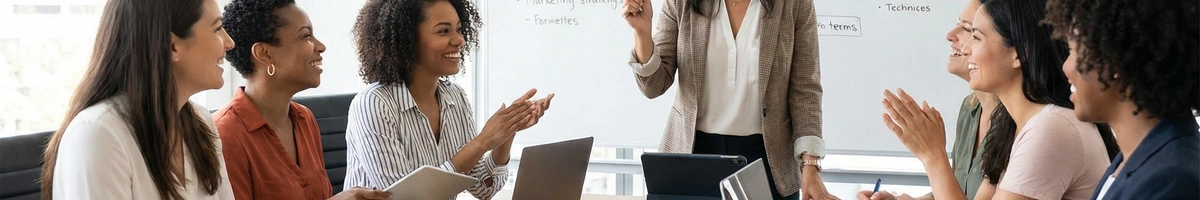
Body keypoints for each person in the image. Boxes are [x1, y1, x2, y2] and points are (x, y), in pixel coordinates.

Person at [880, 0, 1120, 199]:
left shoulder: (1051, 127)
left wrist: (933, 156)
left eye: (976, 37)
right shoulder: (1013, 126)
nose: (966, 50)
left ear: (1019, 54)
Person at [621, 0, 835, 199]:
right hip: (693, 154)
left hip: (768, 160)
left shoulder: (794, 4)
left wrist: (810, 164)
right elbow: (653, 86)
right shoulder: (681, 2)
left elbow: (805, 90)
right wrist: (642, 33)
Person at [341, 0, 553, 199]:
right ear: (408, 40)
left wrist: (506, 133)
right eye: (443, 31)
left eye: (459, 29)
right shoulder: (374, 103)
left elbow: (482, 188)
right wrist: (482, 142)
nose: (459, 40)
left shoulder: (455, 97)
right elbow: (402, 197)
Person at [38, 0, 236, 199]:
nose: (229, 43)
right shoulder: (98, 134)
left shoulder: (201, 121)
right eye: (217, 28)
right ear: (172, 46)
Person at [214, 0, 391, 199]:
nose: (321, 46)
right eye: (306, 36)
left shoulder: (304, 118)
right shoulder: (225, 134)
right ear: (265, 54)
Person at [1043, 0, 1200, 199]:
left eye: (1074, 50)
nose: (1066, 67)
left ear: (1113, 58)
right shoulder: (1136, 156)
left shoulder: (1171, 180)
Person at [857, 0, 996, 199]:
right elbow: (955, 191)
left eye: (968, 30)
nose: (950, 35)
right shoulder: (970, 108)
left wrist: (933, 155)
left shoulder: (1019, 124)